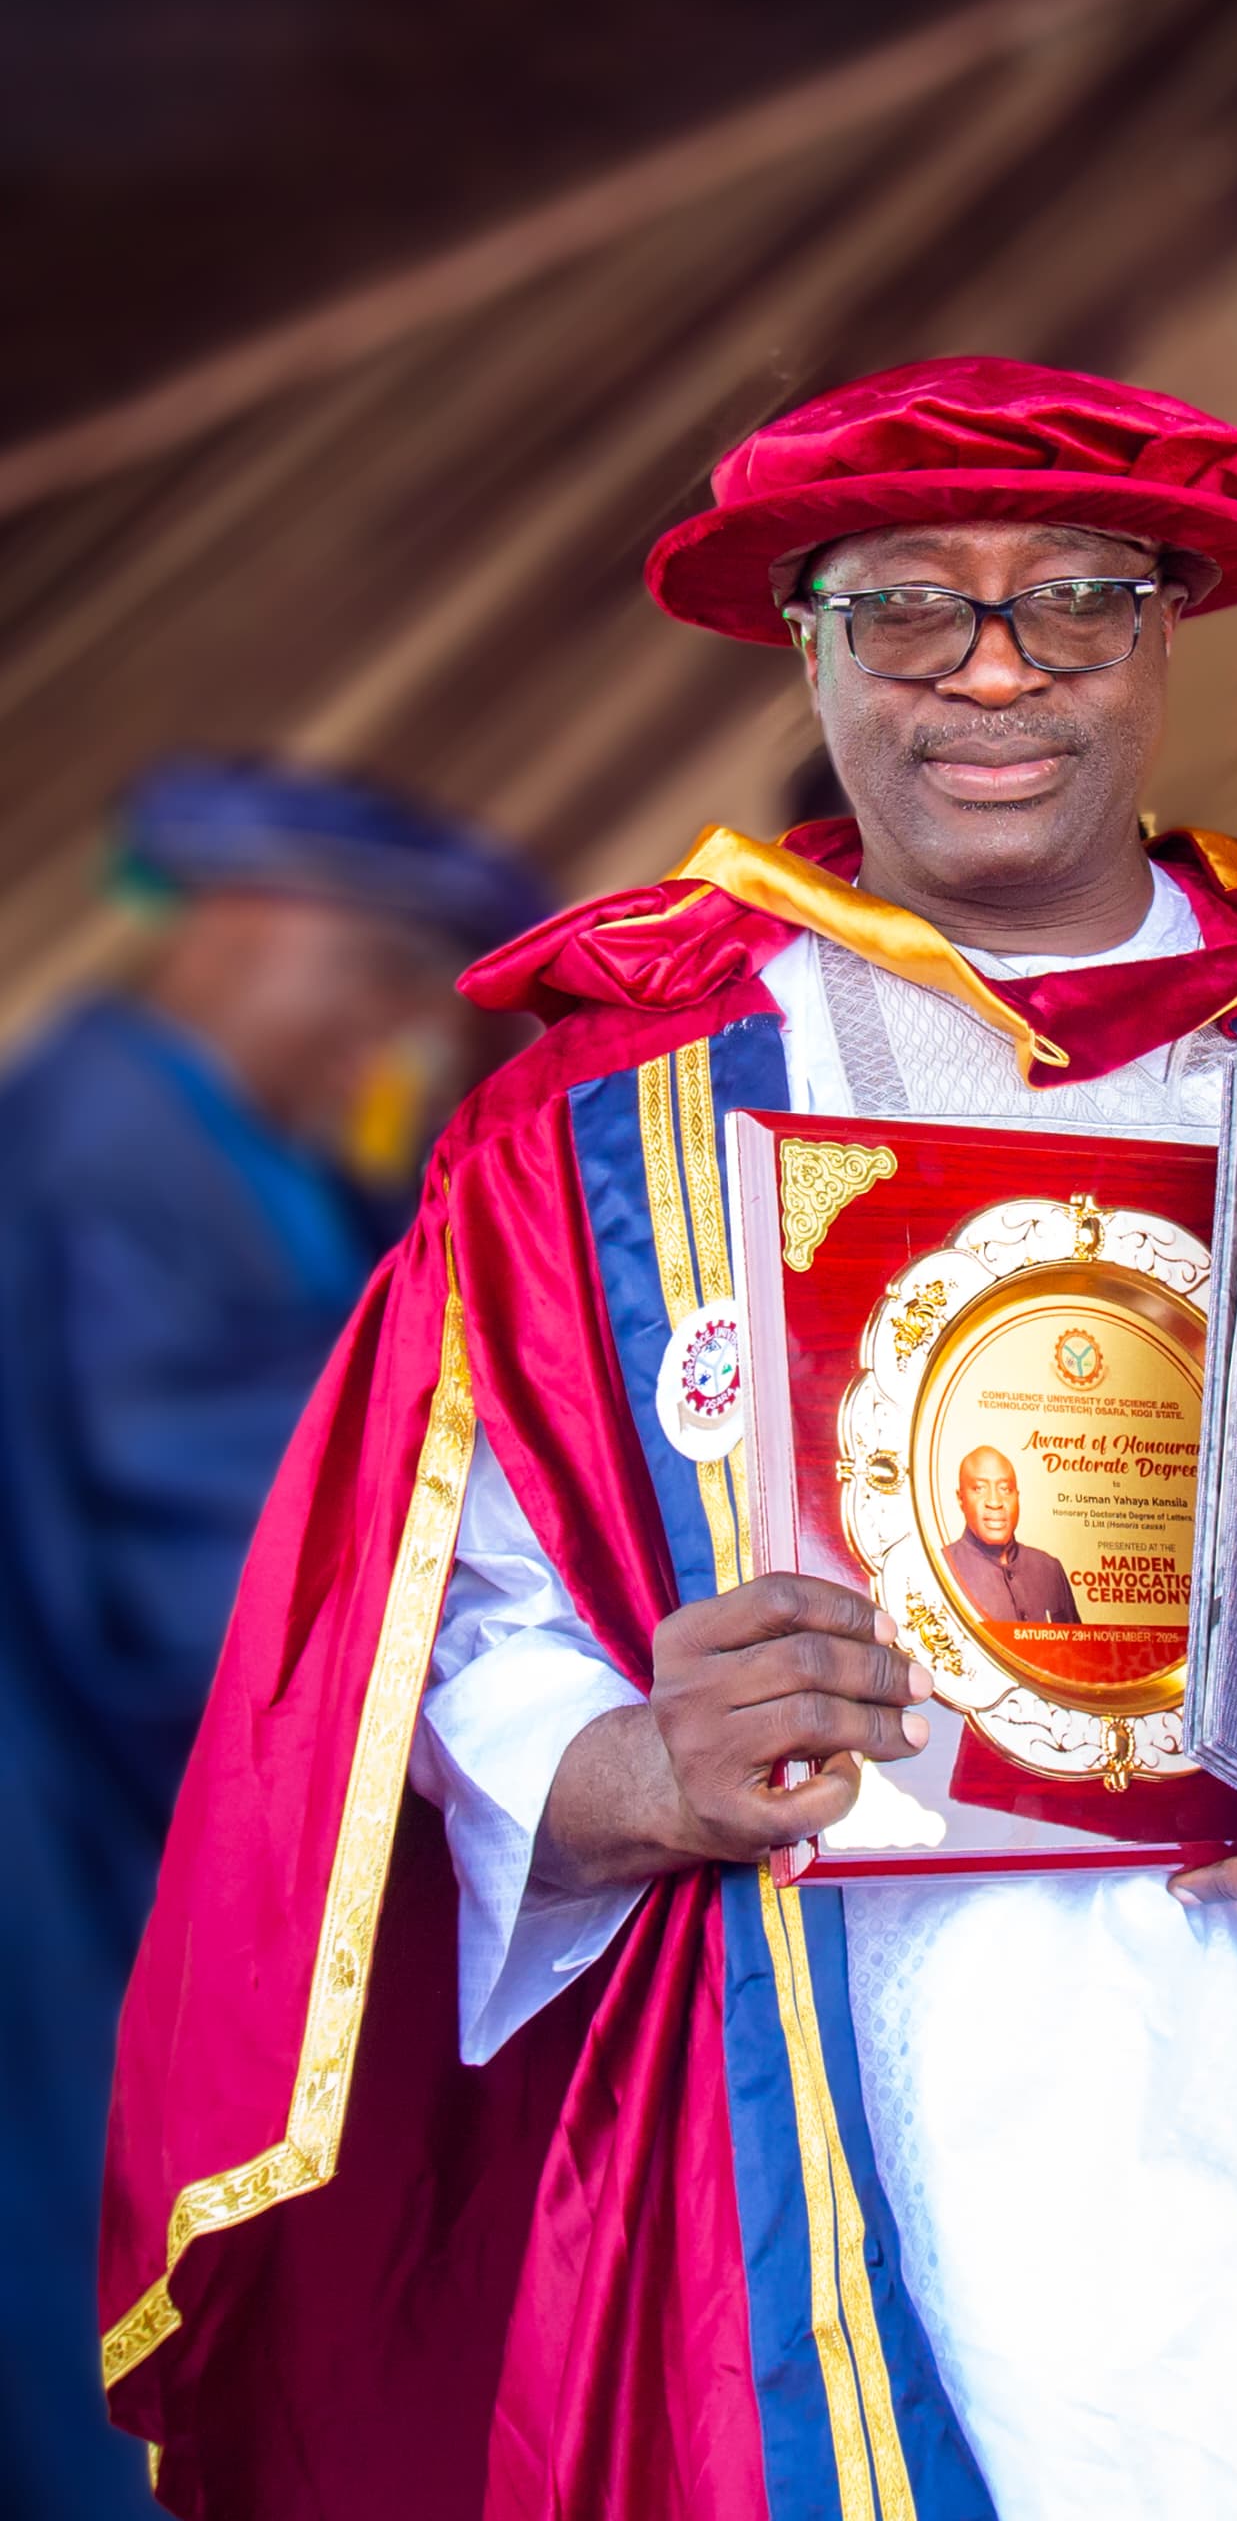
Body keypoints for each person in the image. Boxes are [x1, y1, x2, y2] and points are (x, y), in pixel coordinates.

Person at [103, 359, 1237, 2520]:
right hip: (851, 2057)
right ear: (804, 644)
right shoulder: (600, 1116)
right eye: (904, 604)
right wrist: (635, 1769)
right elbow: (444, 1637)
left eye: (1071, 597)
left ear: (1168, 636)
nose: (992, 669)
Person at [0, 756, 547, 2521]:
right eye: (374, 969)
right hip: (87, 1823)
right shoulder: (104, 1153)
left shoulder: (250, 1149)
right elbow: (221, 1538)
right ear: (237, 923)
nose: (394, 1027)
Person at [942, 1448, 1081, 1624]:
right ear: (961, 1499)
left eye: (1005, 1489)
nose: (994, 1502)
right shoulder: (942, 1568)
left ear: (1017, 1496)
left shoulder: (1050, 1569)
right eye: (979, 1488)